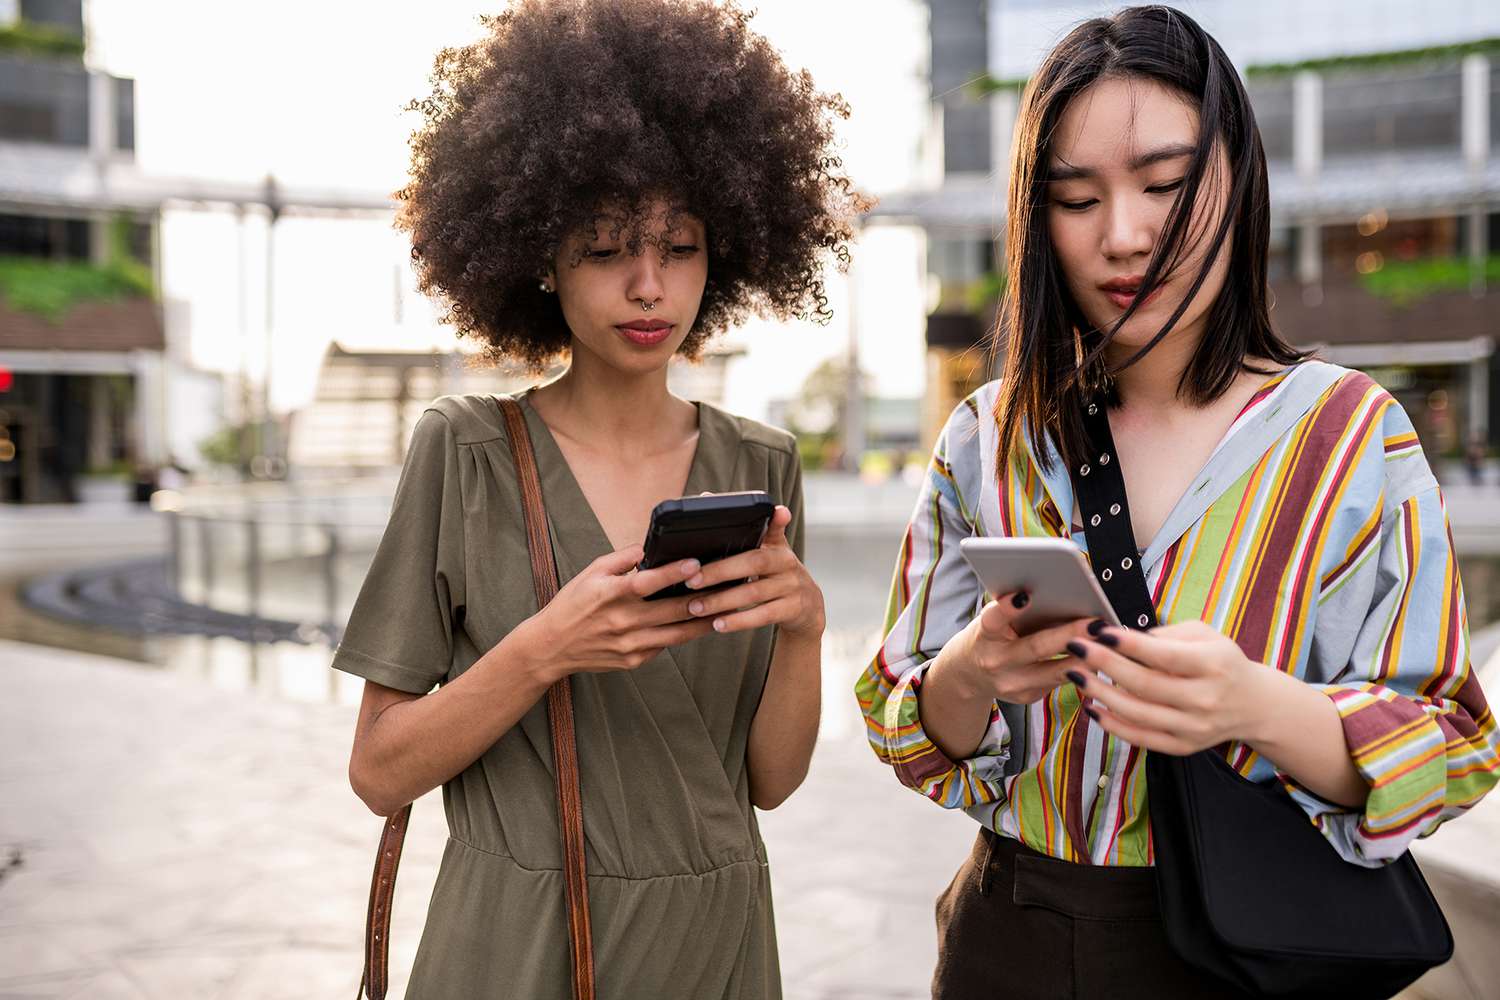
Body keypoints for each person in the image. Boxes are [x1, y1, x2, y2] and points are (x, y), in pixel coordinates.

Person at [855, 7, 1500, 998]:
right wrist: (976, 666)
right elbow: (904, 721)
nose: (1124, 236)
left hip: (1245, 945)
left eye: (1164, 184)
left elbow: (1453, 743)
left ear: (1238, 178)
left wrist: (1254, 704)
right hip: (1008, 938)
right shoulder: (989, 436)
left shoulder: (1354, 438)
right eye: (1077, 198)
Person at [333, 2, 864, 996]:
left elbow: (766, 784)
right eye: (608, 247)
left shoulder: (762, 463)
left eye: (682, 246)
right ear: (540, 255)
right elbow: (380, 771)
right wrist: (546, 648)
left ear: (730, 252)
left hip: (716, 942)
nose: (650, 285)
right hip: (517, 943)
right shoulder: (469, 453)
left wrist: (803, 631)